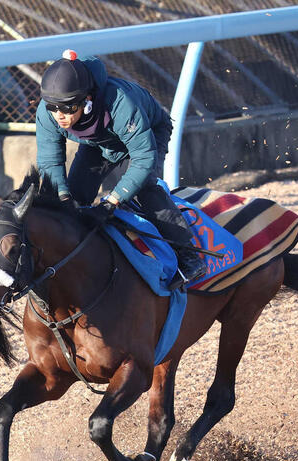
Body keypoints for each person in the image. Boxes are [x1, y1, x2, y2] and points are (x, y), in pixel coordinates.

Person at [36, 50, 206, 287]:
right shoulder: (47, 114)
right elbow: (50, 162)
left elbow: (143, 159)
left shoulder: (119, 102)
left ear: (87, 100)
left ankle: (189, 255)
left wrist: (111, 202)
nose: (59, 116)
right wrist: (64, 198)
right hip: (99, 143)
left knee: (144, 188)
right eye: (53, 107)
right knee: (73, 197)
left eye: (67, 108)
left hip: (148, 135)